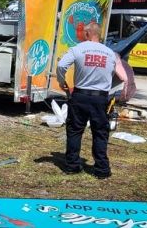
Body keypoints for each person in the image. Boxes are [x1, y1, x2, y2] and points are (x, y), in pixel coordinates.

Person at [57, 22, 127, 179]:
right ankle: (102, 169)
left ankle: (72, 165)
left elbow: (61, 65)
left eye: (82, 33)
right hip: (100, 98)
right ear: (99, 34)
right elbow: (123, 77)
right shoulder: (110, 53)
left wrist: (63, 83)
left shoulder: (77, 49)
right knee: (100, 133)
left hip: (80, 96)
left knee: (75, 130)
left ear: (87, 34)